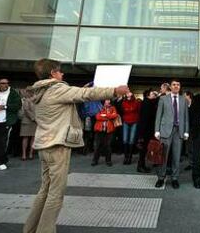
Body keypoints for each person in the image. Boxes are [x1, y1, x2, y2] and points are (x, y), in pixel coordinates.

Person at [22, 58, 129, 233]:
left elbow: (78, 94)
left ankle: (30, 229)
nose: (62, 73)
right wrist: (115, 90)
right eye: (60, 71)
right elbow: (85, 95)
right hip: (57, 145)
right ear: (53, 74)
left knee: (44, 191)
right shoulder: (56, 88)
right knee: (55, 194)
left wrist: (83, 89)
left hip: (44, 143)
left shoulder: (39, 91)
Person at [154, 79, 189, 189]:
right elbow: (158, 116)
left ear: (180, 87)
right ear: (171, 87)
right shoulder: (163, 99)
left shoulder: (184, 100)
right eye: (174, 84)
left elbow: (186, 117)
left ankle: (175, 178)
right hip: (165, 131)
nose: (176, 86)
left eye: (178, 85)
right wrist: (157, 130)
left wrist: (186, 131)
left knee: (176, 157)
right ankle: (161, 177)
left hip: (179, 131)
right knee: (163, 156)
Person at [0, 78, 22, 170]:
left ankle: (1, 162)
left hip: (5, 121)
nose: (5, 85)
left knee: (2, 143)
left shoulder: (13, 93)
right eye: (3, 83)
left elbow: (18, 105)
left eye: (7, 83)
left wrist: (5, 106)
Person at [92, 99, 118, 167]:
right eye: (107, 100)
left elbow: (114, 116)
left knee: (108, 146)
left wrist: (104, 115)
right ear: (104, 101)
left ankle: (108, 161)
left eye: (109, 100)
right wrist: (108, 116)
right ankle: (95, 160)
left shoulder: (113, 108)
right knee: (97, 146)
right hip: (99, 130)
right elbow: (97, 117)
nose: (108, 101)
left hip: (109, 130)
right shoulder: (99, 107)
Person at [136, 89, 158, 173]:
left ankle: (142, 165)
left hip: (145, 130)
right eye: (152, 94)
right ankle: (140, 166)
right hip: (145, 130)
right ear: (148, 95)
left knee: (145, 149)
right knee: (143, 149)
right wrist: (141, 134)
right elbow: (145, 119)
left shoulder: (147, 102)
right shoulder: (147, 103)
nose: (154, 95)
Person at [121, 91, 141, 164]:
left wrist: (137, 120)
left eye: (129, 93)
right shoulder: (123, 102)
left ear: (132, 94)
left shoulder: (136, 102)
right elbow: (122, 112)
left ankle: (130, 158)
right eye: (127, 93)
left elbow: (139, 112)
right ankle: (125, 157)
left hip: (134, 122)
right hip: (126, 122)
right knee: (125, 139)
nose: (128, 94)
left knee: (131, 140)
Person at [20, 89, 37, 161]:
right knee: (25, 138)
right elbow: (26, 110)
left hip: (35, 121)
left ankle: (31, 154)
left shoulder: (37, 100)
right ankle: (24, 154)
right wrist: (33, 118)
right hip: (27, 121)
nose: (27, 93)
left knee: (33, 138)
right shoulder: (26, 100)